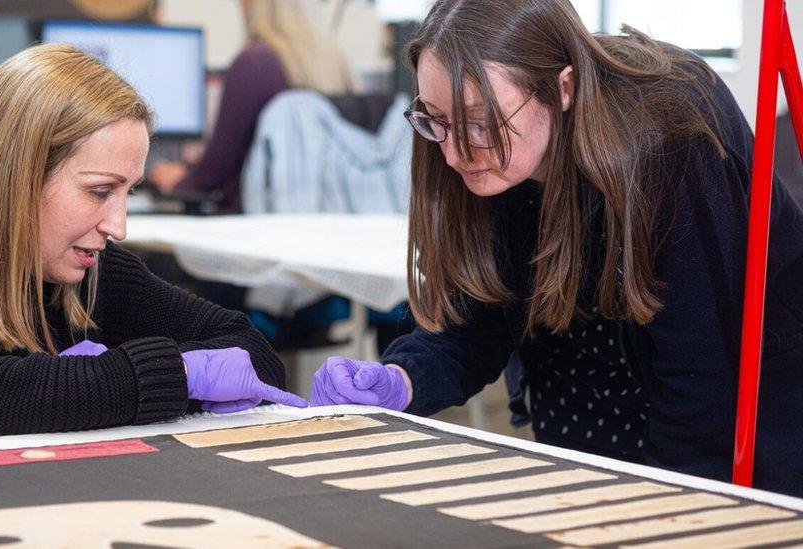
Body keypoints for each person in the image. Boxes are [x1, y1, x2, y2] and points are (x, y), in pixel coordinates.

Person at [309, 0, 803, 497]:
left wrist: (668, 509)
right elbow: (473, 324)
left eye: (483, 122)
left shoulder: (671, 132)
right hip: (581, 426)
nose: (457, 153)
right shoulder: (472, 145)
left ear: (563, 88)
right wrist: (401, 377)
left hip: (735, 428)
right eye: (436, 120)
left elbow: (704, 371)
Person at [0, 43, 306, 438]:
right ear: (16, 177)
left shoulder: (95, 275)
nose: (117, 226)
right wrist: (174, 375)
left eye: (127, 192)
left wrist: (104, 382)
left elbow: (250, 349)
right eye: (99, 191)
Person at [147, 0, 354, 213]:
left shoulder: (254, 62)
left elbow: (217, 170)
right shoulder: (337, 63)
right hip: (321, 216)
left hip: (254, 219)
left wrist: (180, 180)